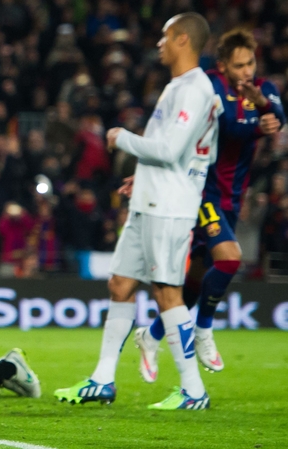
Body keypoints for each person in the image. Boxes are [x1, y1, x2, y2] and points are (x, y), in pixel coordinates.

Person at [54, 13, 218, 410]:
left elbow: (169, 150)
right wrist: (139, 179)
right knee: (121, 284)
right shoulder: (179, 87)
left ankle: (194, 390)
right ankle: (103, 379)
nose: (158, 44)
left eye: (165, 37)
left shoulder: (195, 89)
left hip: (171, 206)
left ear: (182, 40)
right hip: (151, 199)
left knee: (167, 292)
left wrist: (121, 137)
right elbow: (192, 150)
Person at [133, 29, 285, 379]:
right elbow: (231, 128)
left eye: (251, 63)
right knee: (230, 258)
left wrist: (262, 106)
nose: (247, 71)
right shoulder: (209, 86)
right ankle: (203, 328)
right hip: (202, 190)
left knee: (196, 283)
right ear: (222, 66)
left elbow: (278, 115)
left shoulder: (264, 88)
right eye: (239, 65)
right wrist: (260, 120)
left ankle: (151, 335)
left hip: (233, 196)